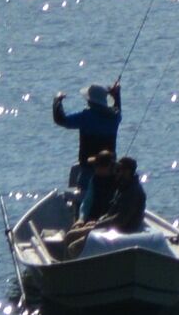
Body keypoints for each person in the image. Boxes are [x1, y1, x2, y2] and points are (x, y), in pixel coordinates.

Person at [51, 81, 124, 228]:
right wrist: (117, 95)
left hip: (88, 168)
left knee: (83, 199)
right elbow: (117, 108)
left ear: (90, 101)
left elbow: (61, 120)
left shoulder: (86, 116)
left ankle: (80, 224)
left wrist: (57, 101)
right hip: (110, 168)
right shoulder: (115, 117)